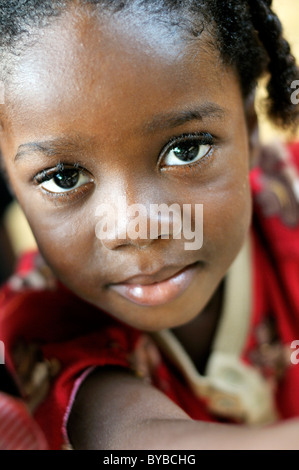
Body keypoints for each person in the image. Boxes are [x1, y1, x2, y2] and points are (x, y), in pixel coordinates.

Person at [1, 0, 299, 450]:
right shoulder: (42, 321)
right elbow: (137, 441)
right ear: (11, 182)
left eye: (186, 150)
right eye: (64, 177)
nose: (135, 227)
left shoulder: (290, 195)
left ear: (251, 130)